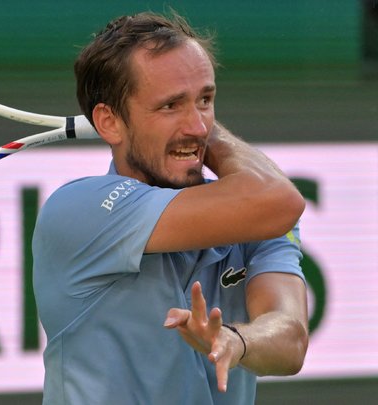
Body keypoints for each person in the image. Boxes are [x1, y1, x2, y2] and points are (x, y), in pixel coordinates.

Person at [32, 11, 309, 405]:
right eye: (170, 105)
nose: (198, 126)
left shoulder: (259, 215)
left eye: (205, 100)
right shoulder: (77, 210)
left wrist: (237, 340)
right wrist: (205, 134)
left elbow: (291, 340)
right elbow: (281, 200)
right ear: (109, 122)